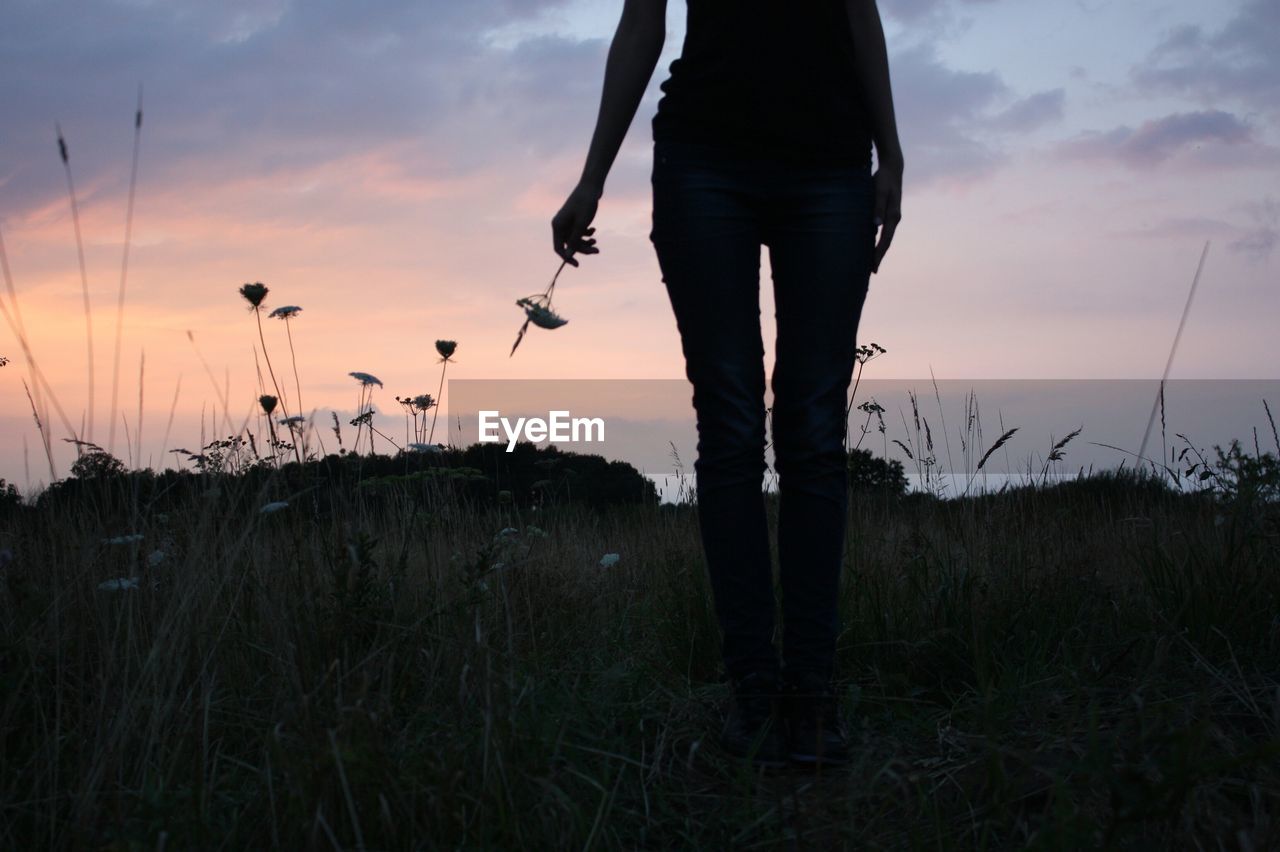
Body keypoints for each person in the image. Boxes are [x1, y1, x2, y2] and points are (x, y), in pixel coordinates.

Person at [552, 0, 903, 769]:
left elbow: (857, 11)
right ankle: (753, 692)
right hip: (704, 159)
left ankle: (811, 699)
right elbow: (642, 23)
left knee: (812, 434)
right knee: (734, 427)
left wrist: (892, 156)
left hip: (830, 162)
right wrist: (591, 178)